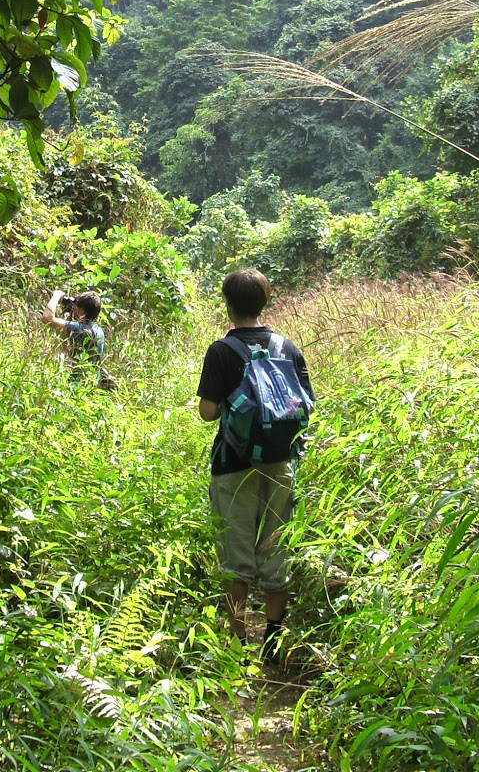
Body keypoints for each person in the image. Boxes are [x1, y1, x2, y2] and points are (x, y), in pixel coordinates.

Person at [195, 267, 312, 664]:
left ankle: (237, 640)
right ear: (265, 302)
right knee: (277, 546)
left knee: (236, 554)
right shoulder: (288, 347)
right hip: (281, 461)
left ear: (227, 304)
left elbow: (208, 413)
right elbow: (305, 405)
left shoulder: (221, 351)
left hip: (233, 463)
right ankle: (274, 639)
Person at [42, 289, 105, 381]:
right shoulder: (99, 330)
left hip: (77, 383)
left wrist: (56, 296)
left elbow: (47, 318)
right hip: (92, 381)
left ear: (82, 311)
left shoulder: (78, 329)